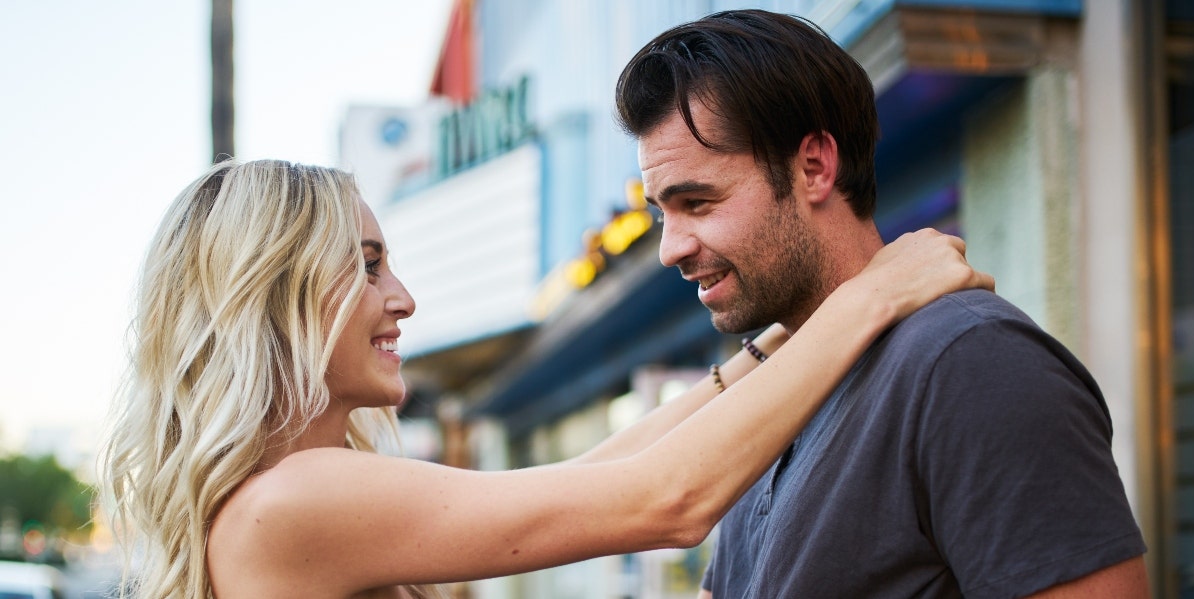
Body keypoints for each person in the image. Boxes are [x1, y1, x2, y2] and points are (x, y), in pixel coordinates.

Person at [97, 159, 989, 598]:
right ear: (271, 290)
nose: (402, 297)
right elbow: (664, 500)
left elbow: (593, 476)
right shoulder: (292, 501)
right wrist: (870, 297)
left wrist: (772, 349)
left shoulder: (287, 495)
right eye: (365, 265)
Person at [614, 9, 1148, 598]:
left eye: (698, 201)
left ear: (814, 166)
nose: (671, 249)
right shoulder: (776, 399)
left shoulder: (970, 361)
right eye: (663, 212)